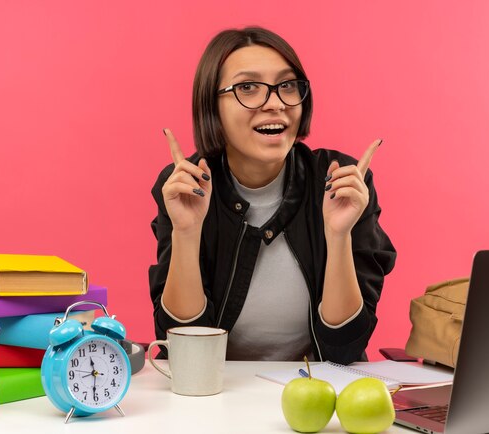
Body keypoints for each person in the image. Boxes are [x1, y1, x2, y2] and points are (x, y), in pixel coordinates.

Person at [149, 27, 396, 364]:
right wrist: (186, 232)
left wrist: (338, 236)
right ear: (212, 105)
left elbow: (344, 348)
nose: (276, 103)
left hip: (314, 388)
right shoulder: (186, 184)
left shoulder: (340, 181)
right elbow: (183, 349)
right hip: (216, 394)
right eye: (247, 87)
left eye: (287, 85)